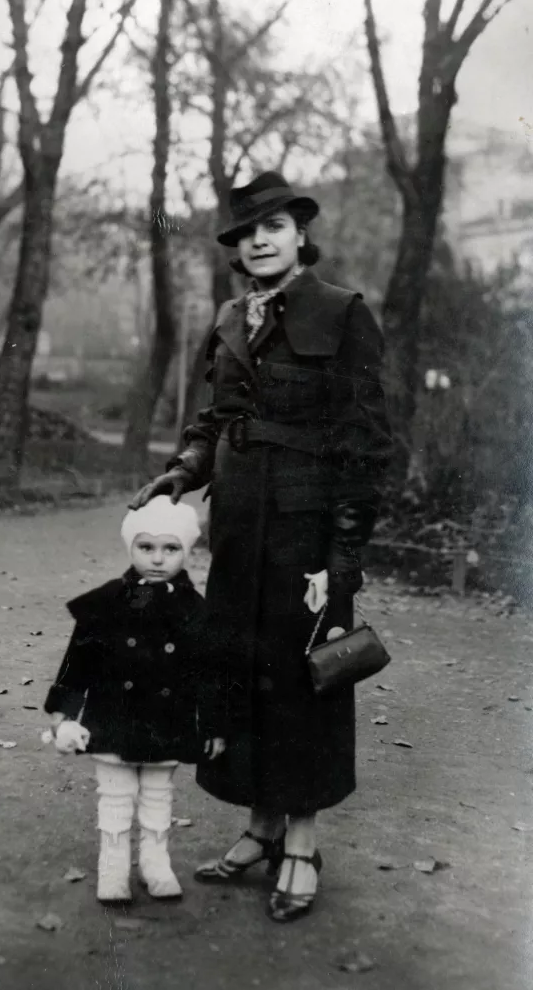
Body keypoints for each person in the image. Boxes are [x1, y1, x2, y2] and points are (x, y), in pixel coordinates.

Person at [130, 171, 392, 923]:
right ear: (237, 250)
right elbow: (214, 421)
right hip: (240, 529)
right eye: (246, 233)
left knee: (305, 679)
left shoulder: (343, 313)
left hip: (306, 534)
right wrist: (179, 475)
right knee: (243, 675)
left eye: (272, 226)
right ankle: (261, 826)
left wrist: (342, 560)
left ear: (299, 232)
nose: (259, 240)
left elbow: (366, 443)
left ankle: (302, 843)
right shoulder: (230, 317)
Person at [42, 495, 226, 905]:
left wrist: (214, 725)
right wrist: (62, 711)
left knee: (159, 792)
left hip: (168, 717)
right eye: (146, 547)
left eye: (170, 548)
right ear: (131, 547)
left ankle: (155, 862)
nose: (158, 559)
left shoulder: (195, 610)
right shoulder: (107, 601)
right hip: (113, 715)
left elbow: (209, 674)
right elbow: (79, 659)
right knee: (115, 794)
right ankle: (113, 866)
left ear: (185, 551)